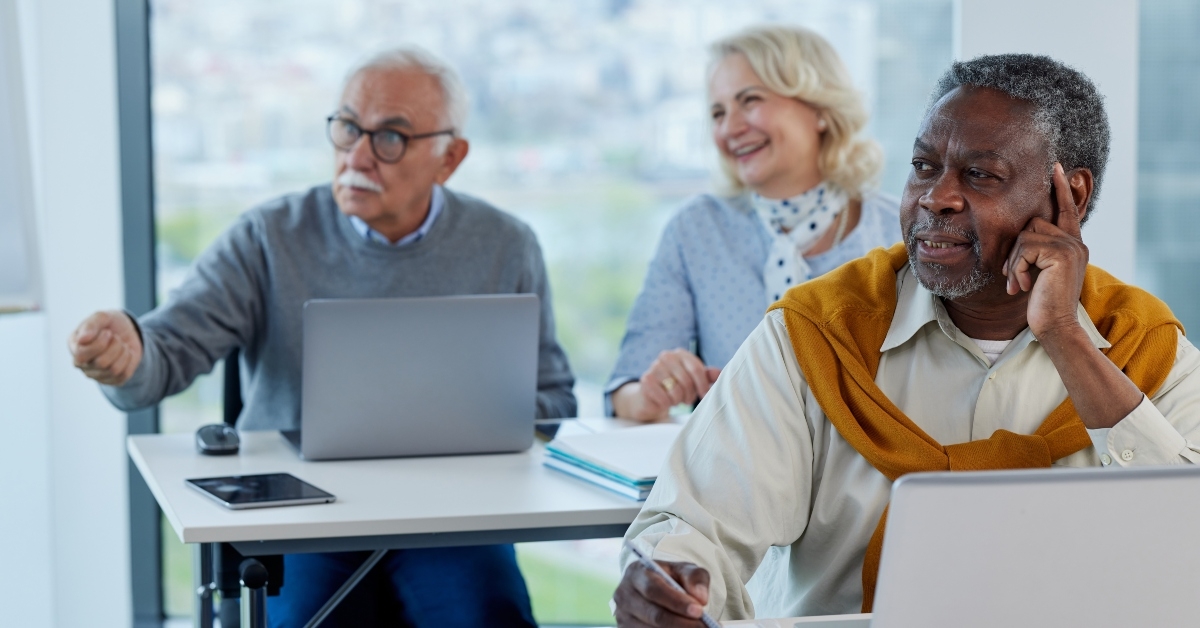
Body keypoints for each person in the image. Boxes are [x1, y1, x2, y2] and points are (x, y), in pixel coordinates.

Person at [613, 53, 1200, 626]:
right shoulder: (815, 333)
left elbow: (1188, 532)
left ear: (1070, 194)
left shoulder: (1141, 344)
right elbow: (694, 526)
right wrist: (668, 582)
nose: (934, 196)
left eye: (980, 175)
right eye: (923, 166)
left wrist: (1067, 336)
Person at [67, 46, 575, 628]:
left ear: (449, 158)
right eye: (347, 128)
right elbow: (167, 350)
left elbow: (555, 399)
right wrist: (128, 356)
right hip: (304, 513)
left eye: (390, 137)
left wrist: (489, 419)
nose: (358, 155)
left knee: (488, 615)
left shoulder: (506, 244)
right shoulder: (268, 235)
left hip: (451, 520)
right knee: (298, 618)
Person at [606, 25, 902, 421]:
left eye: (750, 101)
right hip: (735, 474)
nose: (729, 128)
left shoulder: (900, 231)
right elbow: (624, 388)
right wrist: (650, 394)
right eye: (718, 112)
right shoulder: (696, 229)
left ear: (819, 110)